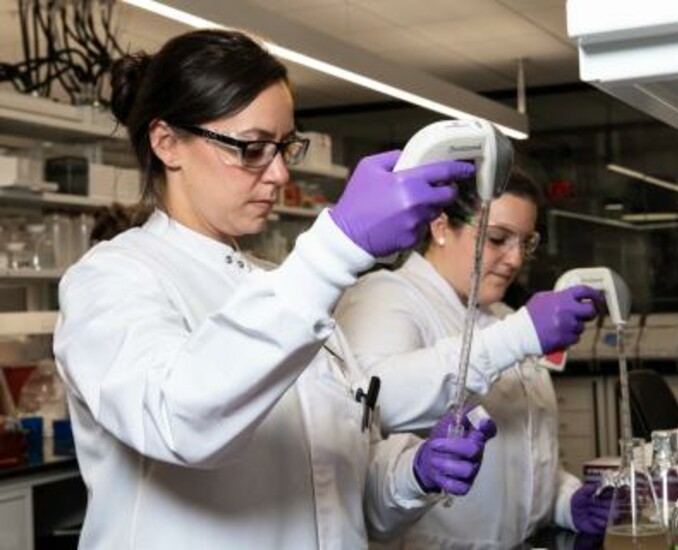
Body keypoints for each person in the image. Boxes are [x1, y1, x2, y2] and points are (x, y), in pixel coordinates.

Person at [53, 28, 497, 550]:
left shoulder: (281, 285)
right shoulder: (111, 279)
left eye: (285, 147)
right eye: (252, 149)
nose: (280, 173)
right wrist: (334, 249)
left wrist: (413, 474)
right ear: (167, 142)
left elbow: (335, 492)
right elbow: (181, 419)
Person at [334, 170, 611, 548]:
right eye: (497, 238)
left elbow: (521, 447)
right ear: (441, 225)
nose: (514, 260)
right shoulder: (385, 296)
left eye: (525, 243)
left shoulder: (498, 315)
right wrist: (520, 335)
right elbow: (375, 400)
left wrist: (564, 501)